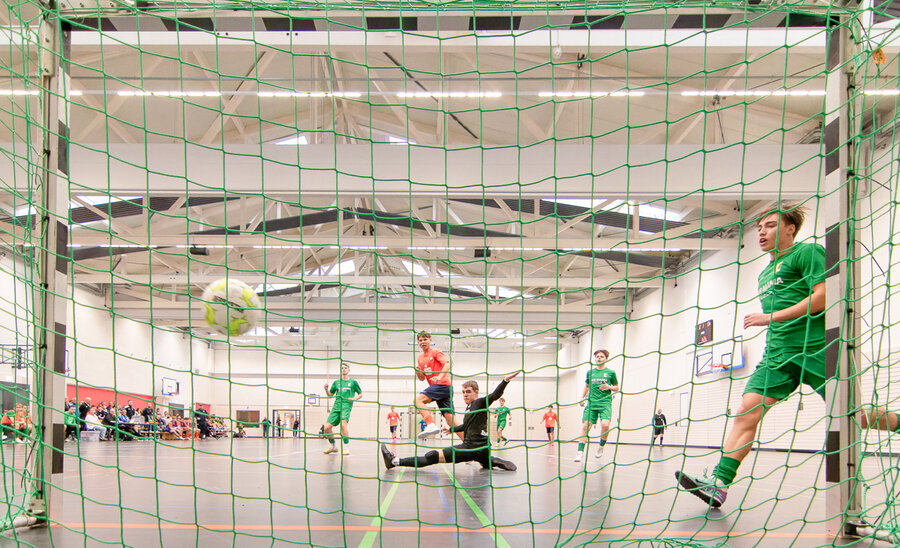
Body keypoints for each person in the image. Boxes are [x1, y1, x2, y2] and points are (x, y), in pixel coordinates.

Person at [676, 204, 828, 508]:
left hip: (815, 348)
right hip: (777, 354)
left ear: (789, 229)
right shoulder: (765, 272)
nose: (761, 232)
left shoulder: (806, 253)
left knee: (856, 415)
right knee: (747, 410)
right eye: (759, 227)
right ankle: (719, 483)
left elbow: (823, 297)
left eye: (770, 225)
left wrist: (768, 318)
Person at [381, 371, 520, 472]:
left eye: (468, 391)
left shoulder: (480, 402)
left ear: (476, 392)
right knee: (484, 460)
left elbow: (495, 395)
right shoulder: (471, 408)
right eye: (463, 391)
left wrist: (505, 381)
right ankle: (491, 461)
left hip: (470, 448)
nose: (465, 394)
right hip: (483, 449)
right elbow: (467, 426)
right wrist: (452, 429)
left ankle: (394, 461)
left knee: (432, 456)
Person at [414, 332, 463, 440]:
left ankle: (430, 424)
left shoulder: (435, 351)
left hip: (443, 385)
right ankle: (469, 442)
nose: (423, 342)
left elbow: (448, 363)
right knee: (451, 421)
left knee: (418, 400)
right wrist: (418, 371)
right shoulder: (420, 358)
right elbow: (422, 378)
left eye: (425, 339)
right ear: (418, 342)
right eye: (420, 340)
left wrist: (439, 377)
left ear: (430, 340)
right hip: (440, 390)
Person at [575, 349, 619, 462]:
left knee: (605, 425)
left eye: (601, 356)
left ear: (606, 359)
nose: (599, 358)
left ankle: (601, 447)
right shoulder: (590, 372)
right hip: (592, 403)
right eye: (597, 356)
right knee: (585, 427)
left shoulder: (610, 372)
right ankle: (580, 453)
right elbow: (587, 386)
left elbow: (617, 387)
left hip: (605, 403)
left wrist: (609, 387)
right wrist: (582, 397)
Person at [322, 362, 363, 456]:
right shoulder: (336, 382)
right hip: (336, 406)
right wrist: (326, 389)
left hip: (346, 406)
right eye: (342, 368)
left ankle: (346, 447)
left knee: (344, 425)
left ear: (349, 370)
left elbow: (360, 394)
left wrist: (354, 399)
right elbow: (330, 395)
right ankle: (333, 446)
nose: (343, 369)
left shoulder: (353, 382)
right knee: (327, 428)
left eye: (345, 368)